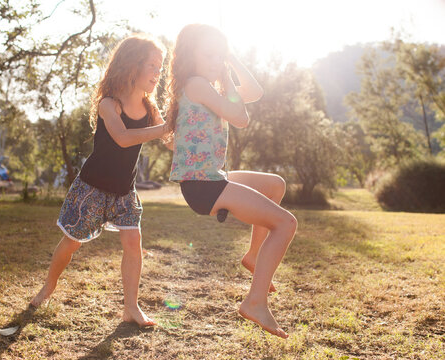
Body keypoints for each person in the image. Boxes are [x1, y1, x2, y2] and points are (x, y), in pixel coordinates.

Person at [165, 24, 297, 338]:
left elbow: (254, 93)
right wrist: (225, 78)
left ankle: (253, 256)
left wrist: (232, 60)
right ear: (189, 57)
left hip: (211, 177)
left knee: (274, 185)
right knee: (286, 224)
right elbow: (241, 117)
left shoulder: (208, 86)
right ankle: (255, 302)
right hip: (202, 185)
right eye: (208, 54)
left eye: (218, 54)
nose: (215, 60)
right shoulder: (197, 84)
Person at [30, 34, 168, 327]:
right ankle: (49, 286)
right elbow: (122, 138)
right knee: (71, 243)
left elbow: (170, 140)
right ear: (132, 65)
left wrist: (189, 122)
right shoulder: (110, 103)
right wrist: (164, 129)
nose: (158, 73)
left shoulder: (150, 108)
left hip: (124, 191)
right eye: (153, 66)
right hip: (92, 187)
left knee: (133, 241)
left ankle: (131, 307)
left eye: (161, 67)